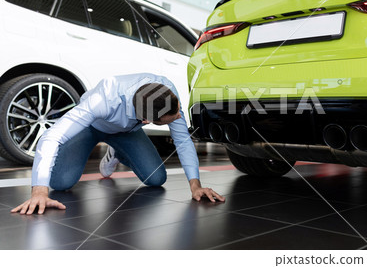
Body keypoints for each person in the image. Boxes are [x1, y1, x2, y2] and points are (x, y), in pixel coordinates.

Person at [11, 73, 225, 215]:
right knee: (61, 183)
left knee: (156, 179)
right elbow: (50, 137)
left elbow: (182, 140)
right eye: (175, 114)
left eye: (178, 109)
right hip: (91, 127)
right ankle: (98, 149)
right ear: (147, 122)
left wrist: (195, 186)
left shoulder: (165, 91)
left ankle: (116, 153)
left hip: (126, 132)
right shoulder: (103, 100)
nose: (180, 116)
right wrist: (39, 191)